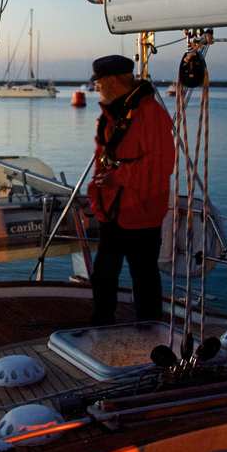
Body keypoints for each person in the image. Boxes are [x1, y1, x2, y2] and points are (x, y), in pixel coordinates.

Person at [86, 55, 176, 325]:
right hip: (112, 209)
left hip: (141, 211)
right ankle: (101, 325)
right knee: (104, 273)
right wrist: (96, 195)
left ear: (112, 81)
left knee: (144, 275)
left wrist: (117, 178)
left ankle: (150, 331)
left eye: (99, 81)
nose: (97, 86)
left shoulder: (151, 115)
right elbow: (103, 159)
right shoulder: (112, 115)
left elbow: (160, 166)